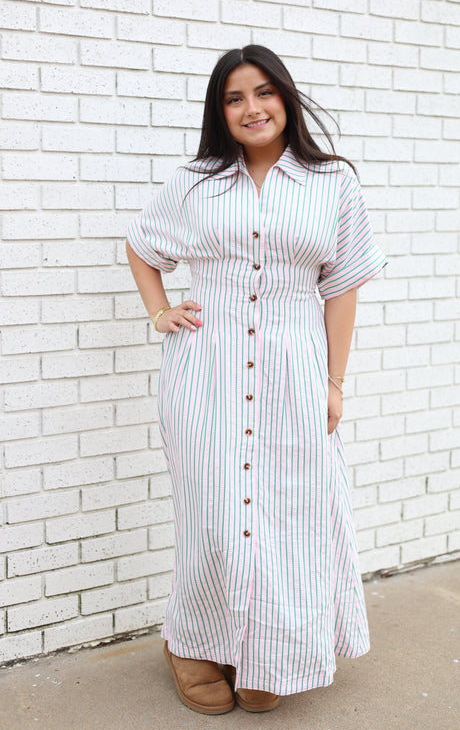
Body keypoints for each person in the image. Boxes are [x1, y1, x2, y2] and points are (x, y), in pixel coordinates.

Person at [125, 44, 388, 715]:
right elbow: (141, 243)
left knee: (290, 513)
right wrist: (159, 310)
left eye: (264, 92)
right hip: (204, 374)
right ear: (220, 111)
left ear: (285, 99)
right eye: (234, 97)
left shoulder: (333, 184)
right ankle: (192, 644)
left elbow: (344, 285)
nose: (252, 108)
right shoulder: (194, 182)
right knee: (211, 512)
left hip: (293, 369)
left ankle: (272, 649)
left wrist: (333, 382)